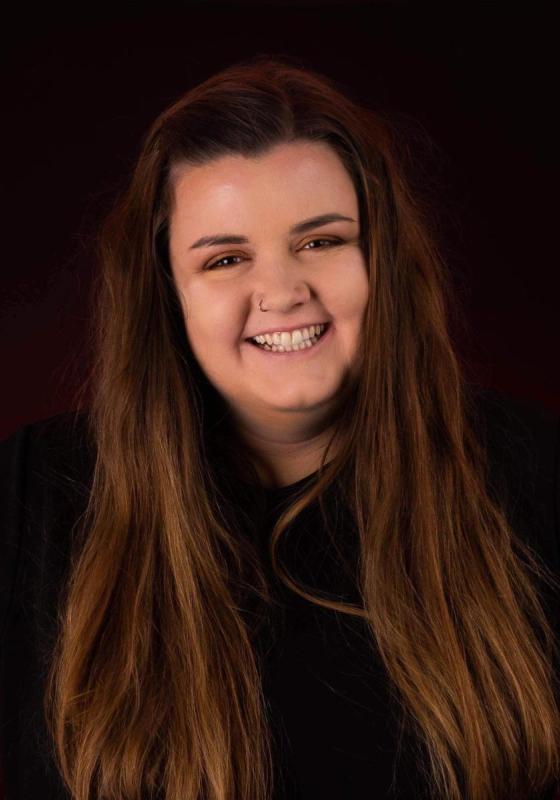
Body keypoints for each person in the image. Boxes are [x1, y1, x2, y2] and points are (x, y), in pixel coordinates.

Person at [1, 53, 559, 800]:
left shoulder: (532, 475)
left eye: (320, 242)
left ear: (380, 261)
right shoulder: (28, 498)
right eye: (226, 258)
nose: (283, 292)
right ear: (168, 294)